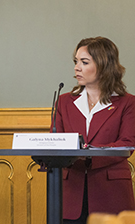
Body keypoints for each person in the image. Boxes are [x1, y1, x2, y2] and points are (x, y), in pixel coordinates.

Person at [53, 36, 135, 224]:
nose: (76, 67)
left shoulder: (127, 103)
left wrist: (88, 153)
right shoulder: (64, 101)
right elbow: (56, 140)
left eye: (84, 62)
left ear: (104, 65)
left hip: (111, 194)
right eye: (76, 61)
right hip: (71, 193)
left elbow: (127, 144)